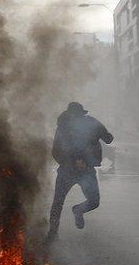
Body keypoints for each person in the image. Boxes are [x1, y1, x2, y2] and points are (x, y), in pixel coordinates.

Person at [47, 102, 114, 240]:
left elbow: (107, 138)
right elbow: (56, 150)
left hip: (84, 170)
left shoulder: (90, 123)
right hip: (70, 170)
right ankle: (52, 232)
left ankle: (78, 210)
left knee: (93, 201)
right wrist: (71, 162)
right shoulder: (64, 127)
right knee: (58, 202)